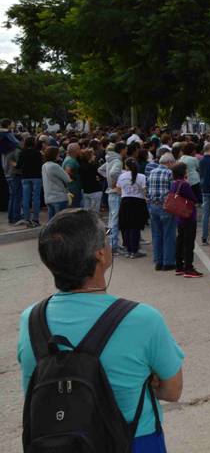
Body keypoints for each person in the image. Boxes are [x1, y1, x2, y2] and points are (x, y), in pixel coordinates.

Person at [18, 209, 184, 452]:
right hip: (134, 439)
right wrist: (146, 380)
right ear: (100, 254)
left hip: (60, 443)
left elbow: (33, 391)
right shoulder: (143, 319)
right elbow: (172, 390)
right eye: (106, 234)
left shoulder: (31, 320)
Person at [146, 153, 177, 272]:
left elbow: (147, 189)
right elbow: (173, 191)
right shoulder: (169, 173)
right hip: (165, 206)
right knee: (169, 234)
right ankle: (168, 262)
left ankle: (158, 261)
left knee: (156, 234)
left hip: (153, 206)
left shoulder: (152, 172)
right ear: (169, 162)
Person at [169, 162, 199, 276]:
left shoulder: (174, 184)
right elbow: (193, 198)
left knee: (180, 241)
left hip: (180, 216)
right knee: (189, 243)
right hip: (188, 216)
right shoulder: (184, 184)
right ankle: (188, 267)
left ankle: (179, 266)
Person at [117, 158, 148, 259]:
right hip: (138, 202)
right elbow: (144, 191)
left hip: (125, 202)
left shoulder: (121, 176)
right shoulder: (142, 176)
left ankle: (128, 249)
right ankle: (134, 250)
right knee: (135, 227)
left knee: (126, 226)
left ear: (126, 166)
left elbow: (118, 190)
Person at [100, 142, 126, 254]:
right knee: (114, 220)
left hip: (110, 192)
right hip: (115, 193)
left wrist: (110, 181)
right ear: (121, 150)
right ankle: (113, 245)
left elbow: (100, 170)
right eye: (125, 149)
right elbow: (113, 173)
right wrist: (116, 183)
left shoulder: (110, 160)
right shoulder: (117, 161)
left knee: (111, 220)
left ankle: (110, 243)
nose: (126, 151)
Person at [19, 136, 43, 227]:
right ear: (34, 143)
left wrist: (13, 164)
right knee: (36, 198)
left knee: (25, 198)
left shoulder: (22, 152)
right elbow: (40, 164)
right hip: (36, 176)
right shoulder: (38, 153)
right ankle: (35, 219)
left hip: (25, 176)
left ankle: (27, 219)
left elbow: (19, 165)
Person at [41, 146, 69, 219]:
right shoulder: (55, 166)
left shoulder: (44, 166)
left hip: (48, 198)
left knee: (51, 221)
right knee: (60, 221)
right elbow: (67, 178)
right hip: (58, 197)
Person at [79, 148, 103, 213]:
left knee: (86, 212)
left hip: (86, 191)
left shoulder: (81, 166)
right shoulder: (93, 166)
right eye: (93, 155)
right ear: (89, 157)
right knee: (94, 212)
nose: (94, 156)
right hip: (95, 190)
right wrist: (99, 179)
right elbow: (101, 176)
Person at [62, 142, 82, 208]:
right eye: (79, 149)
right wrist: (75, 178)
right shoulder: (71, 160)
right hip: (73, 188)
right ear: (75, 151)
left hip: (72, 188)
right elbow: (67, 172)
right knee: (74, 209)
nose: (80, 150)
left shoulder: (69, 158)